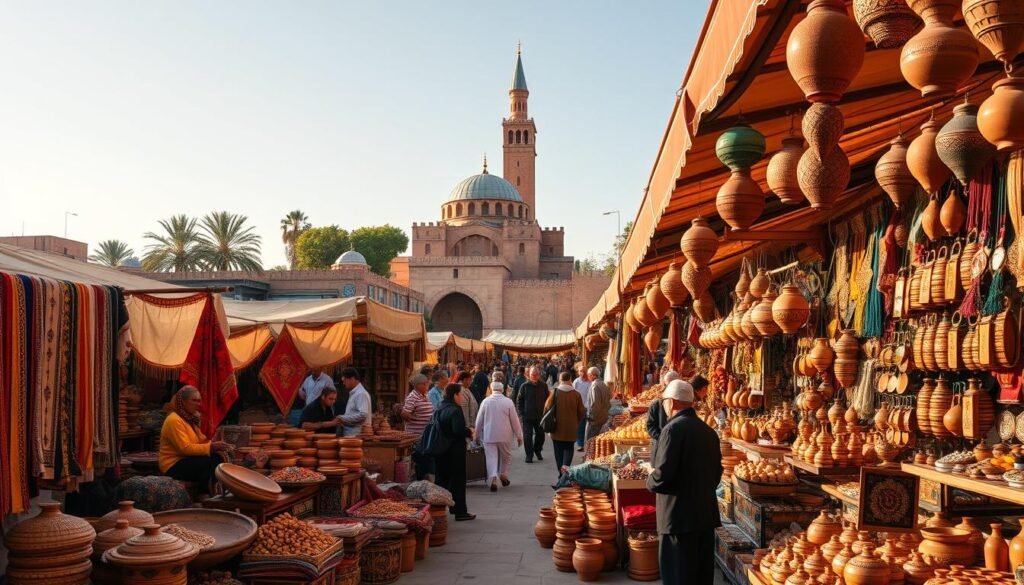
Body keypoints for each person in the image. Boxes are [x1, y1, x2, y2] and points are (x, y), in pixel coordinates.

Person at [645, 380, 722, 585]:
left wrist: (650, 475)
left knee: (678, 576)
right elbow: (717, 475)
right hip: (704, 517)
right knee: (700, 576)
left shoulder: (672, 430)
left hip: (677, 520)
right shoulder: (709, 432)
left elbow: (663, 476)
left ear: (671, 402)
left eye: (664, 402)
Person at [159, 386, 231, 491]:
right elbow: (185, 448)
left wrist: (214, 443)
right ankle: (204, 492)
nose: (198, 404)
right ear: (182, 401)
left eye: (199, 401)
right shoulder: (174, 420)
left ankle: (215, 491)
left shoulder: (189, 419)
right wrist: (210, 447)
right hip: (172, 464)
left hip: (186, 460)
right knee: (209, 462)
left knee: (218, 457)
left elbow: (200, 440)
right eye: (194, 400)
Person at [434, 383, 475, 521]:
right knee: (457, 481)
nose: (462, 399)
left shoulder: (440, 407)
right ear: (455, 395)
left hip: (440, 450)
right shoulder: (455, 410)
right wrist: (469, 431)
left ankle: (437, 509)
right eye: (460, 395)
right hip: (454, 451)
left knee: (442, 479)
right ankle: (460, 511)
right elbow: (458, 431)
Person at [474, 381, 523, 492]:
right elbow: (515, 420)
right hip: (505, 435)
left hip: (489, 435)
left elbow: (479, 420)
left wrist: (476, 435)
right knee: (506, 457)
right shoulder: (508, 402)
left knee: (491, 458)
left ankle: (493, 479)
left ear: (491, 390)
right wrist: (519, 436)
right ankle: (503, 474)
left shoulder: (485, 402)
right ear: (502, 389)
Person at [543, 371, 586, 480]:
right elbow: (581, 411)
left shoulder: (554, 392)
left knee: (558, 450)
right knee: (569, 448)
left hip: (557, 428)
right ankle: (565, 468)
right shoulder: (576, 394)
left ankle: (561, 472)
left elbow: (547, 408)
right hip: (571, 427)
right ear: (570, 380)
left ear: (560, 380)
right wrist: (576, 421)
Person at [402, 373, 435, 480]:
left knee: (426, 457)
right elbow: (405, 413)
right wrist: (416, 418)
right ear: (418, 385)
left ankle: (424, 477)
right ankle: (420, 478)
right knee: (420, 458)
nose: (427, 386)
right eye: (425, 384)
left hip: (425, 435)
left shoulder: (425, 395)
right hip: (416, 435)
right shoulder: (413, 397)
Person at [516, 365, 550, 463]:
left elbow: (548, 400)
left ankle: (537, 450)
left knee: (540, 435)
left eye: (536, 374)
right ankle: (529, 455)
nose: (534, 376)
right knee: (527, 436)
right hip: (527, 416)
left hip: (540, 416)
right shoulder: (524, 386)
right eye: (532, 375)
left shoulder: (543, 385)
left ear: (539, 375)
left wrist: (547, 412)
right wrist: (522, 413)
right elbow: (519, 400)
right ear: (529, 375)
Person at [647, 370, 679, 455]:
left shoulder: (683, 404)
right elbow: (650, 425)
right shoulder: (657, 404)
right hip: (661, 448)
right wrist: (661, 438)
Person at [338, 368, 371, 437]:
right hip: (351, 435)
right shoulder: (355, 393)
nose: (343, 383)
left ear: (352, 379)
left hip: (355, 436)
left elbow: (363, 415)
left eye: (344, 381)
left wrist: (342, 418)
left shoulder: (360, 393)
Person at [585, 367, 611, 442]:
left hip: (595, 420)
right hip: (603, 417)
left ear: (593, 375)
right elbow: (609, 399)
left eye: (589, 375)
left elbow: (595, 404)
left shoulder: (595, 386)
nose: (588, 377)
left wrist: (591, 417)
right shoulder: (603, 384)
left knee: (591, 442)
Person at [572, 365, 592, 451]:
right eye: (581, 371)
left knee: (588, 427)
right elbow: (573, 394)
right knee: (580, 426)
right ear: (578, 372)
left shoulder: (590, 382)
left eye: (584, 371)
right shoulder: (576, 382)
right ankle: (580, 444)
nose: (582, 373)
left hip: (588, 407)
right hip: (578, 407)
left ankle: (588, 444)